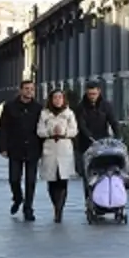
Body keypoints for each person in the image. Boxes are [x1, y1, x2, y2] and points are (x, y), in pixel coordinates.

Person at [0, 80, 42, 221]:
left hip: (33, 148)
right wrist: (2, 147)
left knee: (31, 181)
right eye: (27, 89)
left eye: (32, 89)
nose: (29, 91)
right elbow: (3, 128)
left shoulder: (38, 107)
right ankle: (17, 198)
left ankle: (28, 208)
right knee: (14, 179)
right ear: (21, 90)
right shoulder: (10, 106)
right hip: (15, 148)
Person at [37, 89, 78, 223]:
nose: (58, 100)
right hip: (50, 148)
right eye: (55, 98)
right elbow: (40, 131)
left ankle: (60, 210)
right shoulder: (45, 114)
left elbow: (74, 130)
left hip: (64, 148)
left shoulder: (69, 113)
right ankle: (55, 205)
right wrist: (50, 131)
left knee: (63, 180)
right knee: (52, 180)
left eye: (60, 97)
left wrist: (63, 131)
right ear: (51, 99)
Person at [74, 82, 120, 181]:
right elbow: (81, 125)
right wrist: (90, 137)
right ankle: (88, 193)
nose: (92, 97)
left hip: (103, 142)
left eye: (94, 94)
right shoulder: (81, 107)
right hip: (86, 143)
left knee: (103, 170)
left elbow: (113, 121)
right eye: (90, 94)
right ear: (86, 93)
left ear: (99, 92)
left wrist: (118, 136)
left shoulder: (106, 105)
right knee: (87, 173)